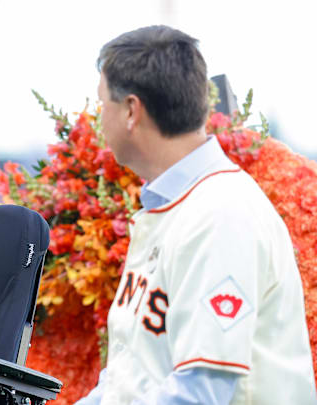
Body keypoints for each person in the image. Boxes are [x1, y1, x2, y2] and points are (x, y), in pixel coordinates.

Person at [75, 25, 317, 404]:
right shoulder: (177, 206)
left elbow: (200, 394)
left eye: (102, 103)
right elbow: (128, 377)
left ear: (131, 112)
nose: (97, 118)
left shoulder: (221, 214)